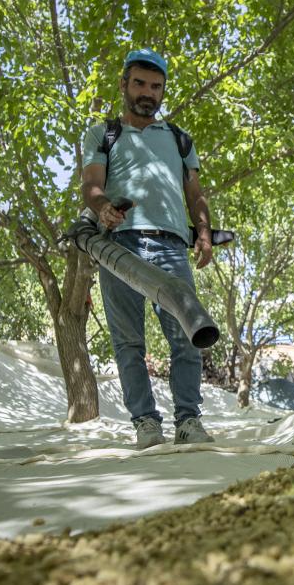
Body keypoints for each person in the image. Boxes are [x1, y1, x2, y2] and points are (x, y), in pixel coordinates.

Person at [79, 48, 215, 448]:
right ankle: (146, 424)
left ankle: (189, 422)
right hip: (119, 248)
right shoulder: (103, 133)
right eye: (139, 83)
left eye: (156, 86)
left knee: (188, 333)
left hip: (171, 247)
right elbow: (90, 184)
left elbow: (196, 193)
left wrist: (204, 232)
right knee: (128, 343)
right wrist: (103, 208)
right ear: (124, 84)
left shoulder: (178, 138)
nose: (147, 92)